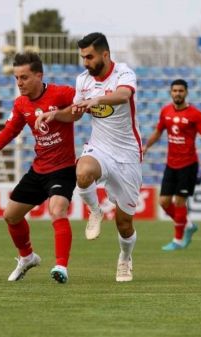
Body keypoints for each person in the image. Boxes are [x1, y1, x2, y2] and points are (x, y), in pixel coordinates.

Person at [37, 32, 142, 282]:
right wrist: (55, 115)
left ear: (105, 55)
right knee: (83, 173)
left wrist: (97, 99)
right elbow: (75, 113)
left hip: (127, 156)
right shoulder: (83, 80)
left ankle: (125, 257)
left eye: (90, 56)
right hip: (100, 148)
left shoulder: (124, 73)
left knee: (125, 224)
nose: (85, 62)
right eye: (83, 57)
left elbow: (124, 95)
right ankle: (95, 210)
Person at [0, 52, 76, 284]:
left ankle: (61, 267)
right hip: (38, 169)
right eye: (17, 78)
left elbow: (83, 106)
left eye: (24, 77)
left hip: (63, 169)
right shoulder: (21, 104)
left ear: (39, 75)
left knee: (57, 210)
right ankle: (27, 258)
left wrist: (59, 114)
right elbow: (10, 131)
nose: (19, 83)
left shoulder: (62, 93)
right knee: (11, 216)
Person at [143, 79, 201, 251]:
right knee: (164, 201)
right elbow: (158, 132)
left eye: (181, 91)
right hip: (171, 164)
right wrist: (146, 146)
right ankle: (188, 224)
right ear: (170, 92)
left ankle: (178, 240)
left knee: (180, 201)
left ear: (186, 92)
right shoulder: (165, 111)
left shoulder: (195, 114)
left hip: (188, 165)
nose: (177, 94)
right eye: (174, 91)